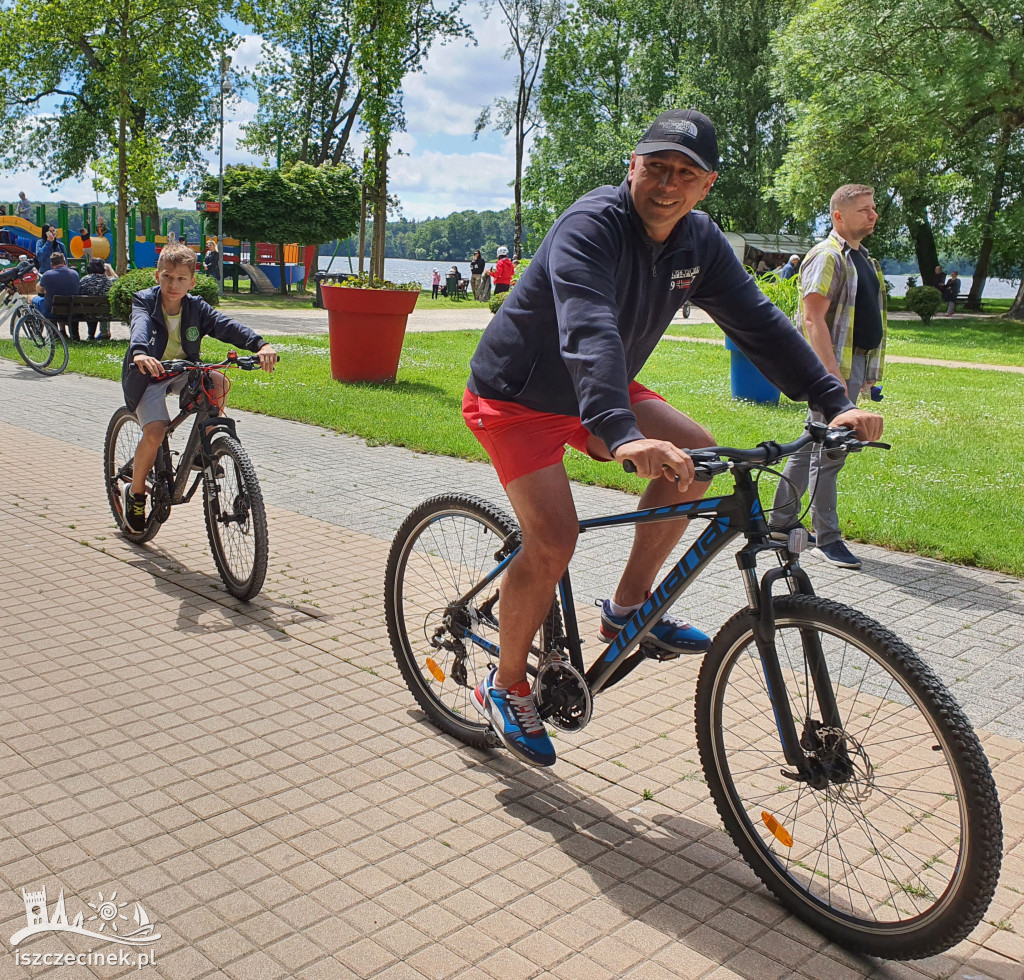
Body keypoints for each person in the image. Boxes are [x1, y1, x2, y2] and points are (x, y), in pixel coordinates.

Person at [463, 109, 882, 767]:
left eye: (684, 173)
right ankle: (507, 682)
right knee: (554, 539)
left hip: (598, 396)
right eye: (655, 166)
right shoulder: (591, 226)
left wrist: (834, 402)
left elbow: (763, 326)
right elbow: (589, 327)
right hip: (517, 395)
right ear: (631, 165)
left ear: (706, 185)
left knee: (697, 458)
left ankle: (628, 608)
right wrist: (619, 431)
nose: (667, 183)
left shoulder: (699, 242)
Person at [120, 242, 278, 534]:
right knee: (155, 432)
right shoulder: (144, 301)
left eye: (181, 278)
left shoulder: (195, 307)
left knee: (217, 380)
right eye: (167, 276)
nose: (173, 283)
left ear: (192, 282)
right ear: (157, 276)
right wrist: (141, 352)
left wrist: (260, 344)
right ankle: (136, 492)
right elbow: (139, 327)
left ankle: (201, 449)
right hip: (148, 373)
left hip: (183, 371)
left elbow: (226, 325)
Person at [770, 183, 887, 570]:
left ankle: (780, 524)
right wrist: (832, 379)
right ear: (839, 216)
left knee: (808, 448)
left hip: (851, 366)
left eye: (873, 209)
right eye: (864, 210)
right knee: (831, 453)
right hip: (833, 372)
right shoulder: (828, 256)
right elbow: (811, 318)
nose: (872, 215)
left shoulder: (862, 258)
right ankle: (828, 538)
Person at [34, 251, 81, 339]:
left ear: (52, 265)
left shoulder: (47, 275)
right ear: (64, 262)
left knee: (36, 300)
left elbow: (39, 290)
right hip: (72, 309)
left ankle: (40, 332)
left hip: (52, 312)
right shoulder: (75, 274)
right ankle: (64, 332)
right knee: (58, 303)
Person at [79, 257, 114, 341]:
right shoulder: (109, 281)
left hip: (87, 313)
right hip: (105, 314)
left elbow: (79, 293)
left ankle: (90, 335)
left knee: (89, 308)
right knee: (100, 307)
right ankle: (104, 334)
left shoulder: (85, 280)